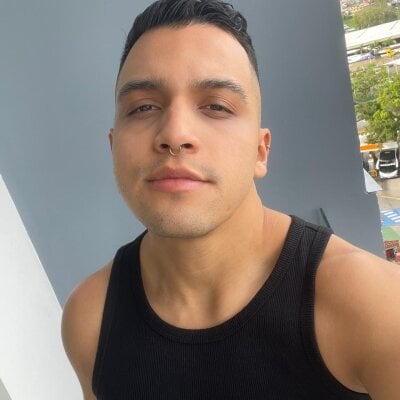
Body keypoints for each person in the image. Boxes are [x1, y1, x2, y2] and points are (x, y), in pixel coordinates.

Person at [61, 1, 400, 399]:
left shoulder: (375, 306)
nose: (175, 133)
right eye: (144, 107)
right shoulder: (90, 317)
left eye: (216, 106)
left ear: (260, 150)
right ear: (114, 147)